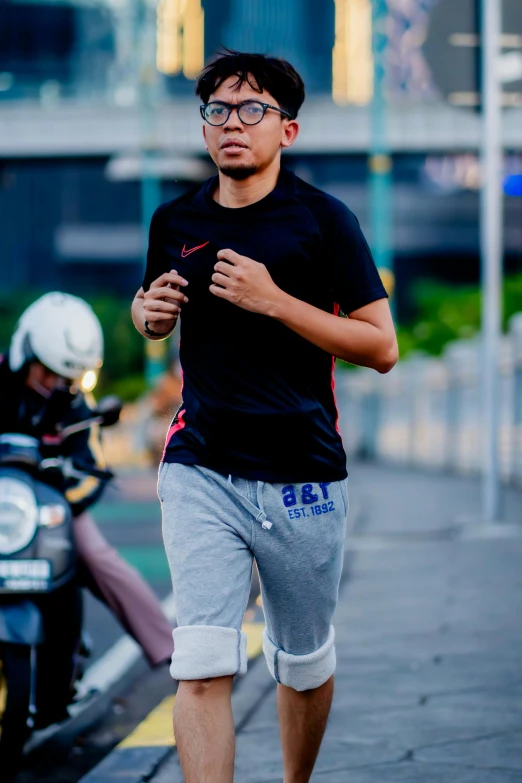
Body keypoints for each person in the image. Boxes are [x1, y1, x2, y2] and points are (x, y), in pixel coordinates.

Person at [131, 50, 398, 783]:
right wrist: (146, 314)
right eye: (217, 110)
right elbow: (152, 308)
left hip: (303, 474)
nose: (232, 124)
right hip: (201, 466)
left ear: (289, 129)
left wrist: (274, 299)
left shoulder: (324, 221)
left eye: (253, 110)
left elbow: (382, 346)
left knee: (303, 662)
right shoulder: (175, 218)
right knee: (203, 661)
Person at [1, 292, 173, 669]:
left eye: (65, 377)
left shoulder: (77, 405)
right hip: (6, 508)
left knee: (97, 555)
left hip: (52, 508)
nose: (52, 384)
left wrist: (60, 492)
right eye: (45, 371)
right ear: (24, 352)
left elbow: (93, 467)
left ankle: (173, 654)